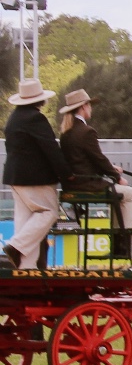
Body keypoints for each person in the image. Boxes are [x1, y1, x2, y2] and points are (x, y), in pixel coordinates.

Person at [58, 89, 132, 256]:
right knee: (130, 194)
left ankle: (120, 242)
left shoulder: (66, 132)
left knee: (121, 195)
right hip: (87, 184)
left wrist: (111, 169)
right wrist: (117, 176)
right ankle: (124, 242)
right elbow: (98, 159)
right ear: (83, 107)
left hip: (74, 183)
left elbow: (83, 161)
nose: (91, 108)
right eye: (89, 105)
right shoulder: (87, 131)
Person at [2, 78, 66, 272]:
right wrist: (66, 174)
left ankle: (25, 269)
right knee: (49, 213)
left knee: (24, 222)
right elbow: (51, 149)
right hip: (35, 179)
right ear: (40, 100)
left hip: (15, 178)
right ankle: (15, 247)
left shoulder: (14, 119)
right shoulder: (35, 119)